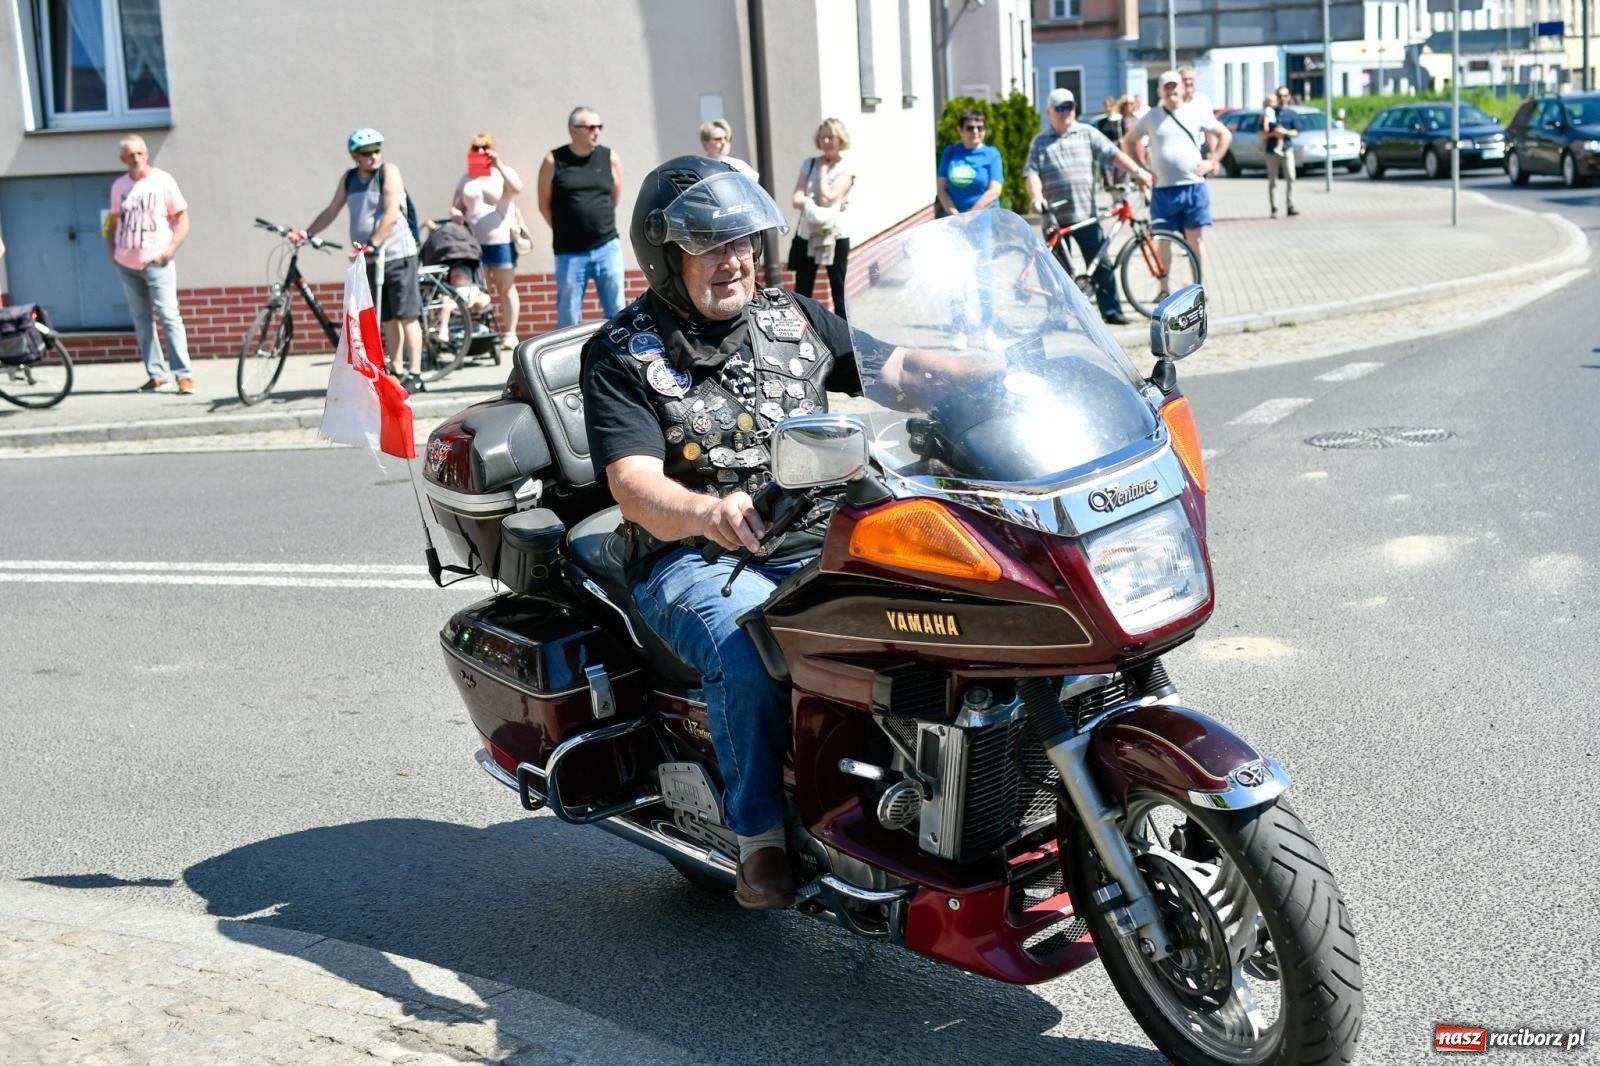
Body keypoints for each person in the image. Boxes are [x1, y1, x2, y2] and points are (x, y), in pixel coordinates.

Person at [580, 157, 918, 910]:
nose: (734, 261)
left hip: (821, 533)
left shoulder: (791, 316)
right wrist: (709, 512)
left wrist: (989, 376)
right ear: (667, 257)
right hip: (687, 557)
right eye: (709, 245)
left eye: (743, 243)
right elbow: (633, 485)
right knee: (746, 644)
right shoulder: (622, 353)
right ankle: (760, 838)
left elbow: (899, 368)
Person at [297, 128, 426, 393]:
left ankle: (417, 372)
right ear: (355, 156)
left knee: (407, 316)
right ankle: (397, 370)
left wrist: (372, 244)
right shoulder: (350, 179)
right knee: (388, 319)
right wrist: (307, 233)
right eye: (367, 153)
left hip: (397, 254)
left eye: (377, 149)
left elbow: (391, 213)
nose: (374, 156)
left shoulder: (388, 172)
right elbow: (331, 211)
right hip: (369, 257)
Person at [1024, 87, 1152, 327]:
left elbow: (1113, 154)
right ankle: (1058, 317)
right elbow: (1031, 173)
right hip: (1054, 216)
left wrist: (1138, 172)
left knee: (1100, 262)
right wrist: (1036, 197)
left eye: (1070, 106)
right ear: (1049, 112)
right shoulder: (1040, 142)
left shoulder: (1087, 133)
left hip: (1085, 213)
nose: (1066, 112)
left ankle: (1111, 310)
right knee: (1055, 271)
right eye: (1060, 108)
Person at [107, 135, 194, 394]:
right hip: (126, 263)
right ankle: (156, 374)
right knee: (142, 319)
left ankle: (183, 375)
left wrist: (168, 252)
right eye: (129, 155)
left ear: (146, 153)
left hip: (157, 261)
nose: (135, 158)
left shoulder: (163, 181)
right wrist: (111, 250)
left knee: (169, 316)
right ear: (123, 159)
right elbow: (112, 223)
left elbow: (183, 220)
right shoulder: (119, 186)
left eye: (139, 153)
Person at [1124, 71, 1231, 279]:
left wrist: (1213, 160)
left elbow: (1224, 134)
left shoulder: (1195, 112)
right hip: (1163, 189)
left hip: (1193, 187)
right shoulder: (1152, 116)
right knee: (1163, 240)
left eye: (1175, 86)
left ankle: (1198, 286)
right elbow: (1128, 142)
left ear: (1182, 88)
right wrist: (1141, 169)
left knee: (1195, 240)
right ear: (1160, 91)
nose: (1172, 90)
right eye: (1167, 87)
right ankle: (1164, 289)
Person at [538, 107, 624, 328]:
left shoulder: (610, 157)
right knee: (568, 317)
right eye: (590, 127)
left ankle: (620, 359)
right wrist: (567, 229)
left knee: (617, 312)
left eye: (599, 126)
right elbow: (543, 204)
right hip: (569, 253)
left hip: (607, 247)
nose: (596, 131)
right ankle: (568, 362)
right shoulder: (553, 160)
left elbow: (614, 197)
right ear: (573, 131)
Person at [452, 131, 524, 350]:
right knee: (481, 289)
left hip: (500, 240)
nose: (481, 151)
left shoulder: (501, 173)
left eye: (485, 147)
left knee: (505, 287)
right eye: (476, 148)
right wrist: (455, 212)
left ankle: (510, 334)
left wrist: (498, 164)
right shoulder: (467, 178)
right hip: (473, 243)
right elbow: (455, 205)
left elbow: (517, 188)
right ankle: (485, 330)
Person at [788, 118, 855, 320]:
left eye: (830, 137)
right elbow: (796, 199)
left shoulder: (846, 167)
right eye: (822, 137)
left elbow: (827, 198)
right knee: (802, 291)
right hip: (808, 234)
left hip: (836, 235)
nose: (825, 141)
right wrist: (829, 202)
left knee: (839, 291)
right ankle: (801, 335)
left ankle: (845, 339)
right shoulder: (809, 164)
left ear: (840, 138)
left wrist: (823, 173)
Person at [937, 108, 1003, 216]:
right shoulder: (950, 152)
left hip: (985, 221)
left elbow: (994, 191)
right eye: (970, 128)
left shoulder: (992, 154)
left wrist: (969, 216)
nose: (975, 131)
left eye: (980, 128)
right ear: (960, 130)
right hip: (954, 222)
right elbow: (941, 189)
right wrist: (955, 215)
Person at [1265, 86, 1301, 219]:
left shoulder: (1292, 114)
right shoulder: (1269, 112)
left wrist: (1285, 132)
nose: (1282, 99)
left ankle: (1290, 205)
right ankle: (1274, 207)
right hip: (1271, 150)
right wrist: (1273, 133)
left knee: (1291, 177)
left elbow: (1297, 132)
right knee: (1273, 181)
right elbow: (1261, 131)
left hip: (1287, 149)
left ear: (1289, 97)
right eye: (1280, 96)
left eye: (1285, 96)